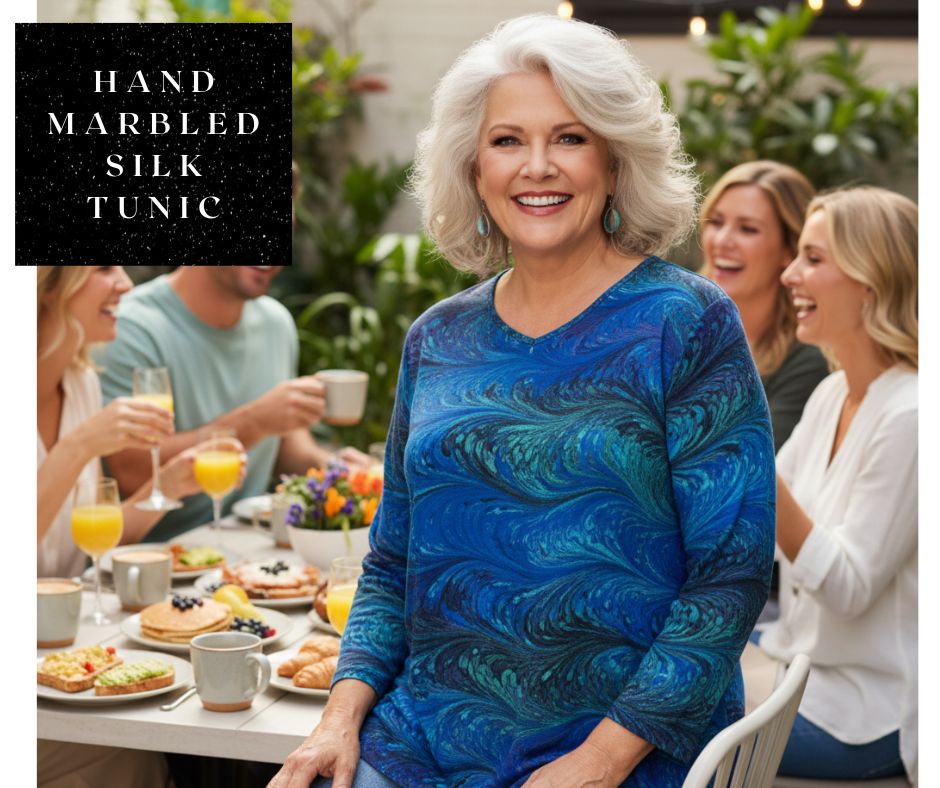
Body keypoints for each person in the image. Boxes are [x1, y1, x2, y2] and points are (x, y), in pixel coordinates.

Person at [272, 15, 775, 788]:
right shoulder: (437, 338)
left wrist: (599, 762)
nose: (537, 167)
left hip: (626, 746)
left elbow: (729, 580)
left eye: (569, 138)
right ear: (474, 169)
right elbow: (392, 563)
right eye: (508, 141)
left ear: (614, 160)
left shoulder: (687, 322)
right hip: (425, 741)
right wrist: (338, 718)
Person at [756, 187, 917, 782]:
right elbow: (761, 534)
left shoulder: (912, 416)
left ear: (871, 281)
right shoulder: (832, 394)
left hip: (869, 712)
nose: (791, 274)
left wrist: (745, 454)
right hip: (799, 663)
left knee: (666, 722)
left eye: (814, 259)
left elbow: (847, 587)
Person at [94, 266, 370, 543]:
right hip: (159, 554)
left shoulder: (275, 323)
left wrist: (336, 471)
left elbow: (287, 446)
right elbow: (133, 471)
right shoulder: (130, 327)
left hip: (251, 548)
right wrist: (252, 422)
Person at [37, 266, 239, 578]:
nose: (126, 284)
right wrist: (79, 445)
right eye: (104, 268)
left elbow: (94, 538)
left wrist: (168, 485)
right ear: (48, 283)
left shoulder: (81, 384)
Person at [700, 161, 829, 451]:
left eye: (747, 229)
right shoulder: (671, 327)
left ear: (789, 249)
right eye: (716, 222)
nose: (721, 241)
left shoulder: (809, 360)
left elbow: (753, 470)